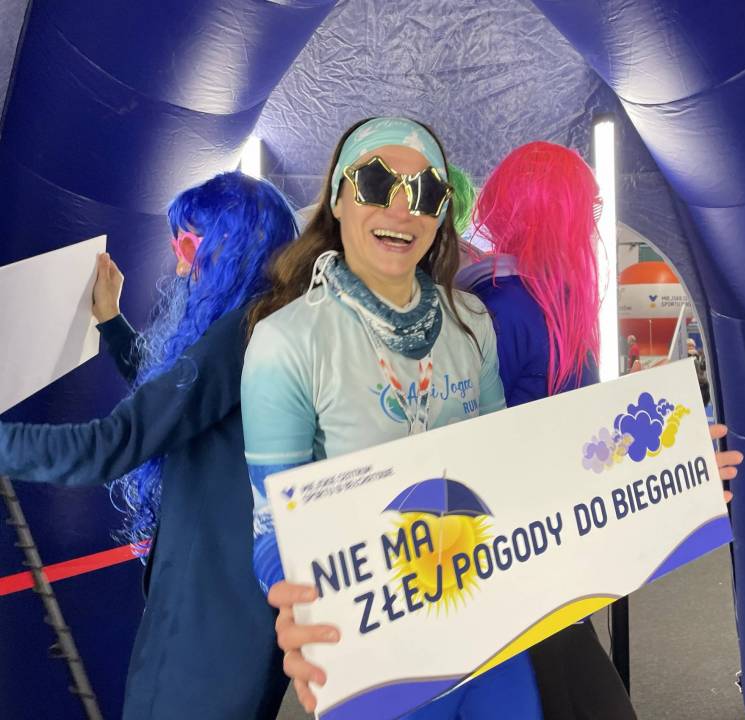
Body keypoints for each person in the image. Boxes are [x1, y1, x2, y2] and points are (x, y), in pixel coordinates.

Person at [240, 117, 543, 718]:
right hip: (374, 642)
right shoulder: (285, 342)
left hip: (487, 624)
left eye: (426, 191)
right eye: (377, 183)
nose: (402, 209)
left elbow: (504, 465)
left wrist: (664, 471)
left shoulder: (473, 323)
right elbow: (272, 521)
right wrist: (299, 603)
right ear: (337, 197)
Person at [457, 141, 743, 718]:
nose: (591, 226)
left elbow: (571, 429)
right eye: (584, 209)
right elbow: (489, 441)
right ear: (552, 210)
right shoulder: (505, 306)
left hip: (545, 548)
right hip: (517, 557)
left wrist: (666, 461)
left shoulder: (533, 299)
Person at [0, 171, 298, 719]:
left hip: (208, 634)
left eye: (187, 246)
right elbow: (179, 400)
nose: (182, 268)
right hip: (239, 621)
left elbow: (113, 443)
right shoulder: (268, 327)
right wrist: (112, 323)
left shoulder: (237, 337)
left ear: (233, 245)